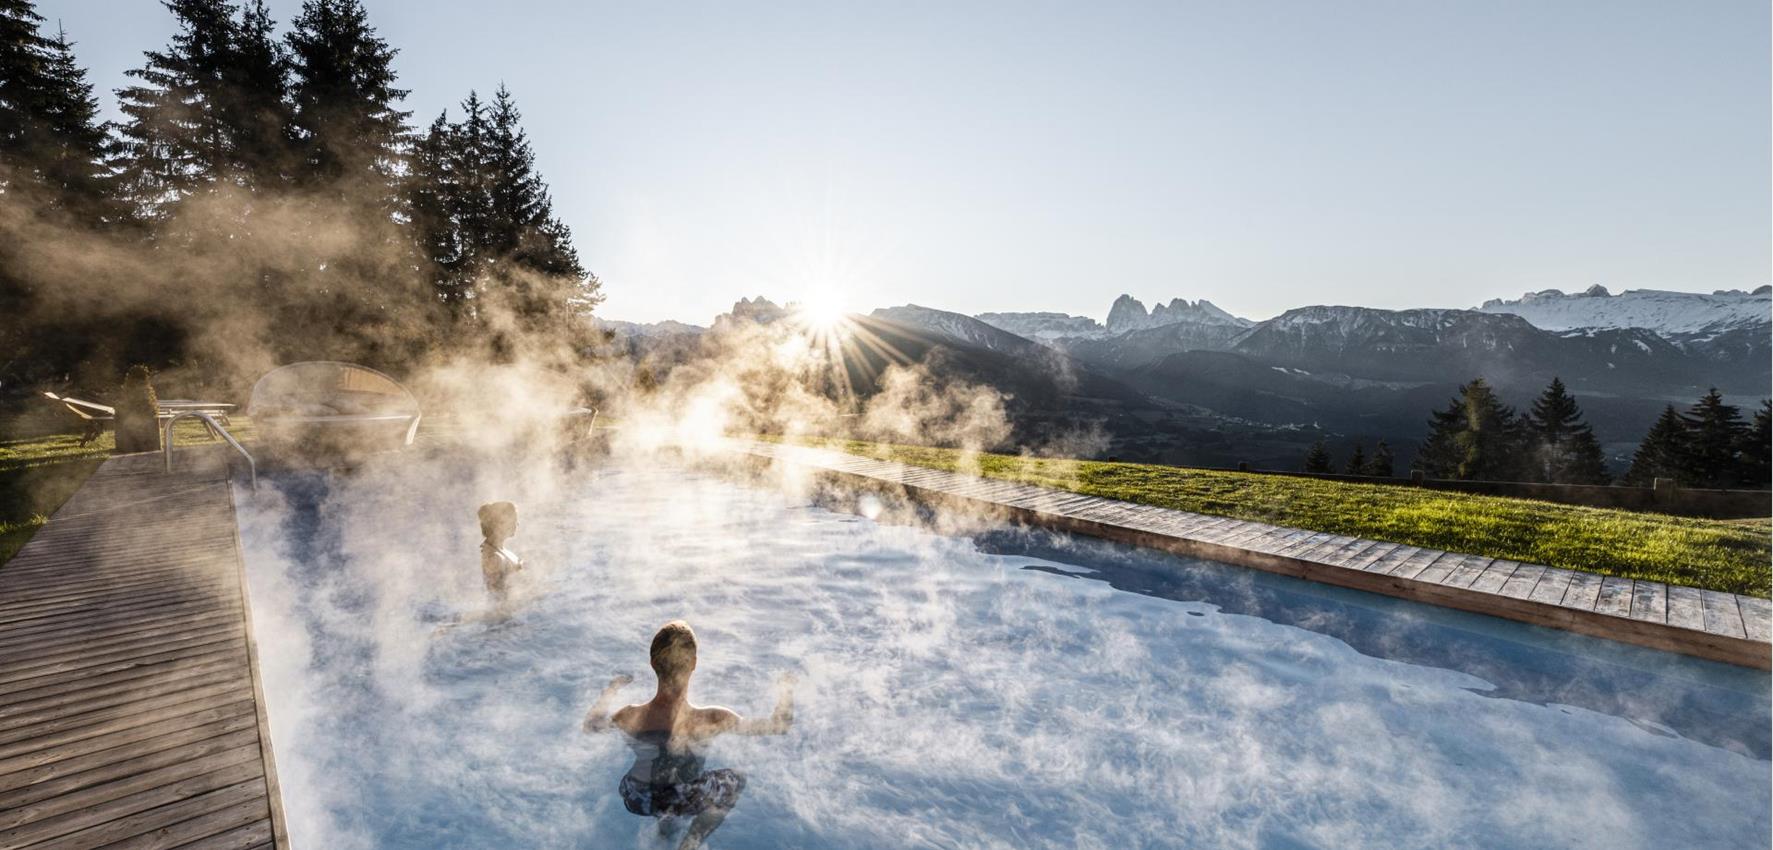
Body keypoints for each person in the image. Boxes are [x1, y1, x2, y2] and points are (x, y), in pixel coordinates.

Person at [584, 620, 796, 850]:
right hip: (683, 797)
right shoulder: (710, 718)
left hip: (639, 797)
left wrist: (611, 689)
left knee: (666, 788)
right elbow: (778, 726)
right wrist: (786, 691)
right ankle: (690, 844)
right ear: (693, 664)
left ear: (653, 664)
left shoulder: (630, 715)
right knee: (735, 780)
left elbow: (592, 725)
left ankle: (666, 832)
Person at [478, 501, 524, 603]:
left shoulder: (502, 551)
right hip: (508, 616)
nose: (517, 524)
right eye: (514, 520)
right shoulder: (494, 557)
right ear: (501, 523)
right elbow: (497, 599)